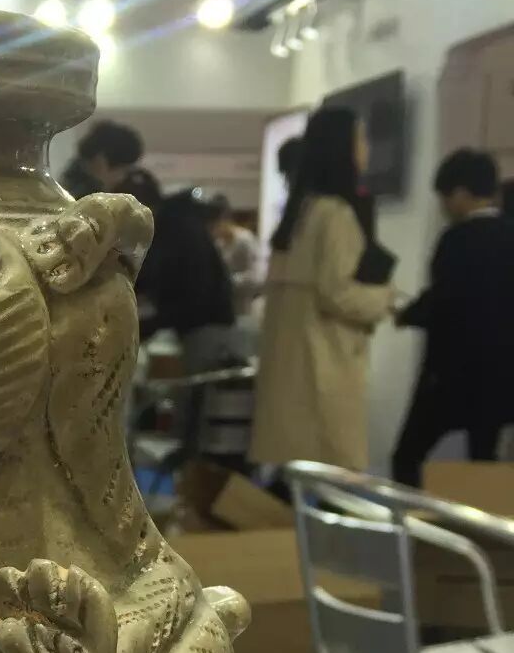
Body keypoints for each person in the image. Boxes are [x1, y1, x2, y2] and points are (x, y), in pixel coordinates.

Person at [250, 107, 396, 471]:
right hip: (325, 362)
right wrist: (386, 298)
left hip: (289, 367)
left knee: (291, 472)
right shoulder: (336, 214)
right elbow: (338, 294)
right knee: (332, 471)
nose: (365, 148)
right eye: (360, 139)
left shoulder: (299, 213)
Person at [390, 149, 514, 485]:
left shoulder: (455, 239)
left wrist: (406, 314)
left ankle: (411, 515)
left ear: (459, 193)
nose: (443, 207)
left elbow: (444, 299)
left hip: (452, 373)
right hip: (502, 373)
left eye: (444, 198)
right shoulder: (510, 235)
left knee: (407, 455)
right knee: (484, 459)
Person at [129, 181, 239, 371]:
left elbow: (192, 293)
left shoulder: (175, 230)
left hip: (204, 328)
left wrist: (148, 323)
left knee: (200, 383)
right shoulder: (180, 225)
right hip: (208, 324)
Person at [206, 193, 262, 319]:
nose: (214, 229)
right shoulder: (218, 244)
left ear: (225, 219)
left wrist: (229, 281)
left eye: (215, 224)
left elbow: (256, 276)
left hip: (242, 310)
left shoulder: (245, 240)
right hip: (222, 310)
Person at [61, 120, 144, 200]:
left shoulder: (73, 177)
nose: (121, 178)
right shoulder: (80, 195)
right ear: (101, 161)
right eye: (123, 170)